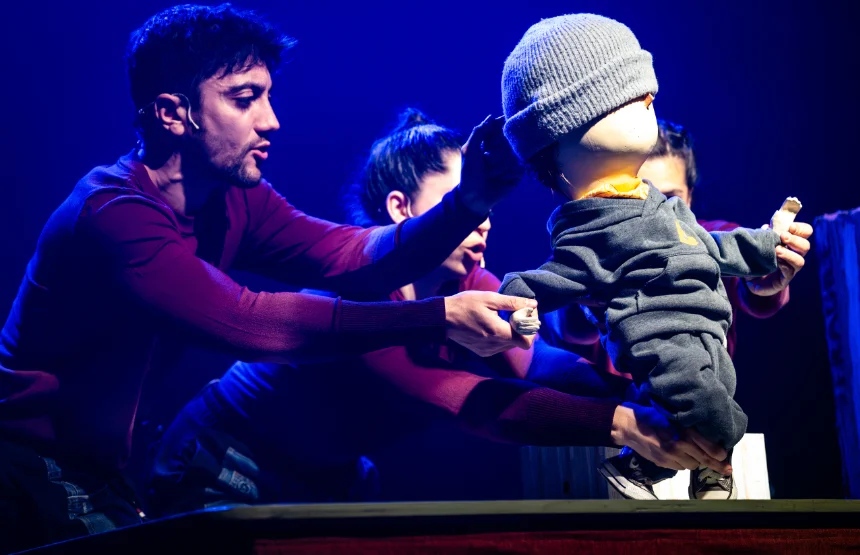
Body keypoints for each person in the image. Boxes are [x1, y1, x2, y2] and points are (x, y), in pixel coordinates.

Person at [0, 6, 534, 553]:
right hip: (26, 462)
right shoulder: (114, 214)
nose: (271, 120)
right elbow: (253, 322)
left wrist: (468, 203)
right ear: (172, 114)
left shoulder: (235, 200)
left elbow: (350, 253)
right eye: (244, 99)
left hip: (100, 468)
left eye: (267, 97)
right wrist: (436, 317)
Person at [146, 109, 732, 516]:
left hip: (327, 474)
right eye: (461, 201)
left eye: (484, 205)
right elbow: (466, 401)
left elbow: (539, 365)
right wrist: (624, 424)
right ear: (401, 208)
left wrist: (654, 400)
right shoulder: (364, 297)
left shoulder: (471, 282)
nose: (483, 221)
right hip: (228, 458)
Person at [497, 14, 813, 501]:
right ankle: (690, 461)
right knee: (710, 407)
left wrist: (770, 255)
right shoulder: (590, 236)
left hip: (709, 346)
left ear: (690, 193)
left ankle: (686, 470)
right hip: (635, 389)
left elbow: (730, 256)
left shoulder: (682, 221)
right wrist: (536, 305)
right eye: (625, 98)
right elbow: (556, 293)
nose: (647, 99)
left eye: (672, 192)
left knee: (714, 393)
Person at [541, 119, 807, 377]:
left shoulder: (710, 237)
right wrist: (590, 295)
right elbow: (564, 326)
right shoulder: (588, 244)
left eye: (669, 198)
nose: (653, 210)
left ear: (689, 195)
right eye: (638, 196)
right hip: (613, 403)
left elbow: (744, 271)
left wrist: (760, 272)